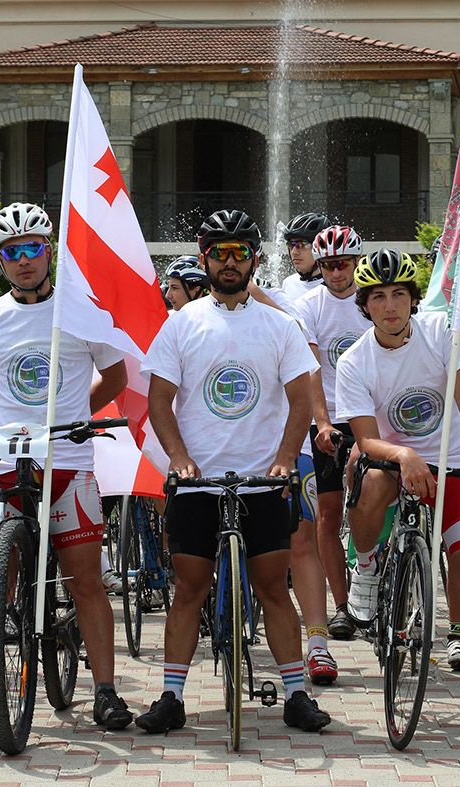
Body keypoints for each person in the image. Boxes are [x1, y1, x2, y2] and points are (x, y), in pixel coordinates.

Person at [0, 202, 135, 731]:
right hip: (3, 462)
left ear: (50, 252)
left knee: (86, 580)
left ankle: (106, 693)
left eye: (33, 248)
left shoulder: (81, 310)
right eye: (12, 251)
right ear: (0, 260)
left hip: (67, 462)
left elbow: (115, 378)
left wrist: (73, 416)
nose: (23, 260)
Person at [135, 209, 331, 736]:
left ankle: (296, 695)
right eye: (219, 253)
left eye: (239, 253)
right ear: (204, 260)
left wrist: (285, 459)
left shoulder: (279, 326)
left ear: (255, 260)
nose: (229, 262)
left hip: (262, 479)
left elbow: (300, 403)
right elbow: (159, 402)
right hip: (197, 481)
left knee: (272, 588)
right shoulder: (181, 324)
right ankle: (171, 697)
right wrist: (178, 457)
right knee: (189, 588)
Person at [334, 249, 460, 741]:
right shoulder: (355, 361)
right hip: (393, 463)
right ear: (365, 305)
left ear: (414, 300)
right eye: (378, 297)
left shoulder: (442, 333)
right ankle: (368, 565)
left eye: (399, 294)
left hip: (455, 464)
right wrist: (403, 455)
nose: (390, 305)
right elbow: (365, 438)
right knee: (372, 480)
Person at [292, 224, 366, 679]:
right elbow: (312, 369)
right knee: (328, 514)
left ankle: (374, 572)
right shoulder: (309, 305)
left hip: (369, 416)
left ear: (356, 263)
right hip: (328, 418)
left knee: (372, 504)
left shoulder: (371, 299)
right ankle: (341, 606)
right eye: (327, 266)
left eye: (342, 264)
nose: (336, 273)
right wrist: (321, 422)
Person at [279, 212, 330, 302]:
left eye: (302, 244)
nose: (294, 252)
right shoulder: (289, 283)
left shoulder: (335, 287)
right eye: (291, 245)